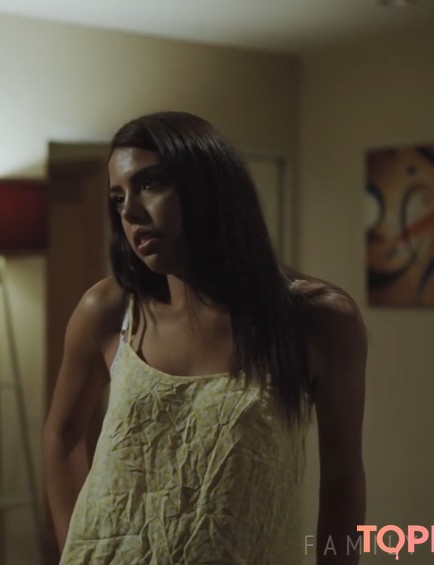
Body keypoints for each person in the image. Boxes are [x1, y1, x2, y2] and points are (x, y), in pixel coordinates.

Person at [44, 112, 366, 564]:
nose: (130, 213)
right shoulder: (110, 310)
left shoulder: (317, 319)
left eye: (150, 183)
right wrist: (77, 549)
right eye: (118, 198)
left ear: (208, 187)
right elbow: (62, 434)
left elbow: (341, 481)